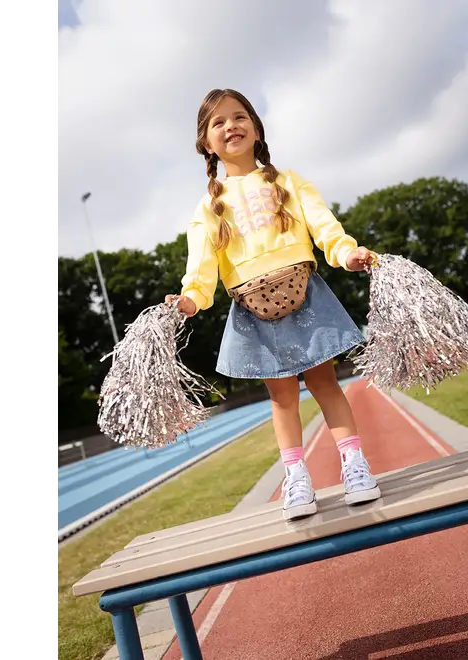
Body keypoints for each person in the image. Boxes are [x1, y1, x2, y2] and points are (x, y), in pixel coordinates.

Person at [165, 88, 380, 520]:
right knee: (282, 398)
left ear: (257, 129)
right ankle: (296, 478)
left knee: (325, 384)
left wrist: (347, 254)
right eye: (219, 122)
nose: (231, 126)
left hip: (305, 294)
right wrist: (190, 299)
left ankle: (355, 465)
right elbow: (201, 268)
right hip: (251, 307)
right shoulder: (208, 207)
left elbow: (326, 228)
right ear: (206, 143)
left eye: (239, 116)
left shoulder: (288, 181)